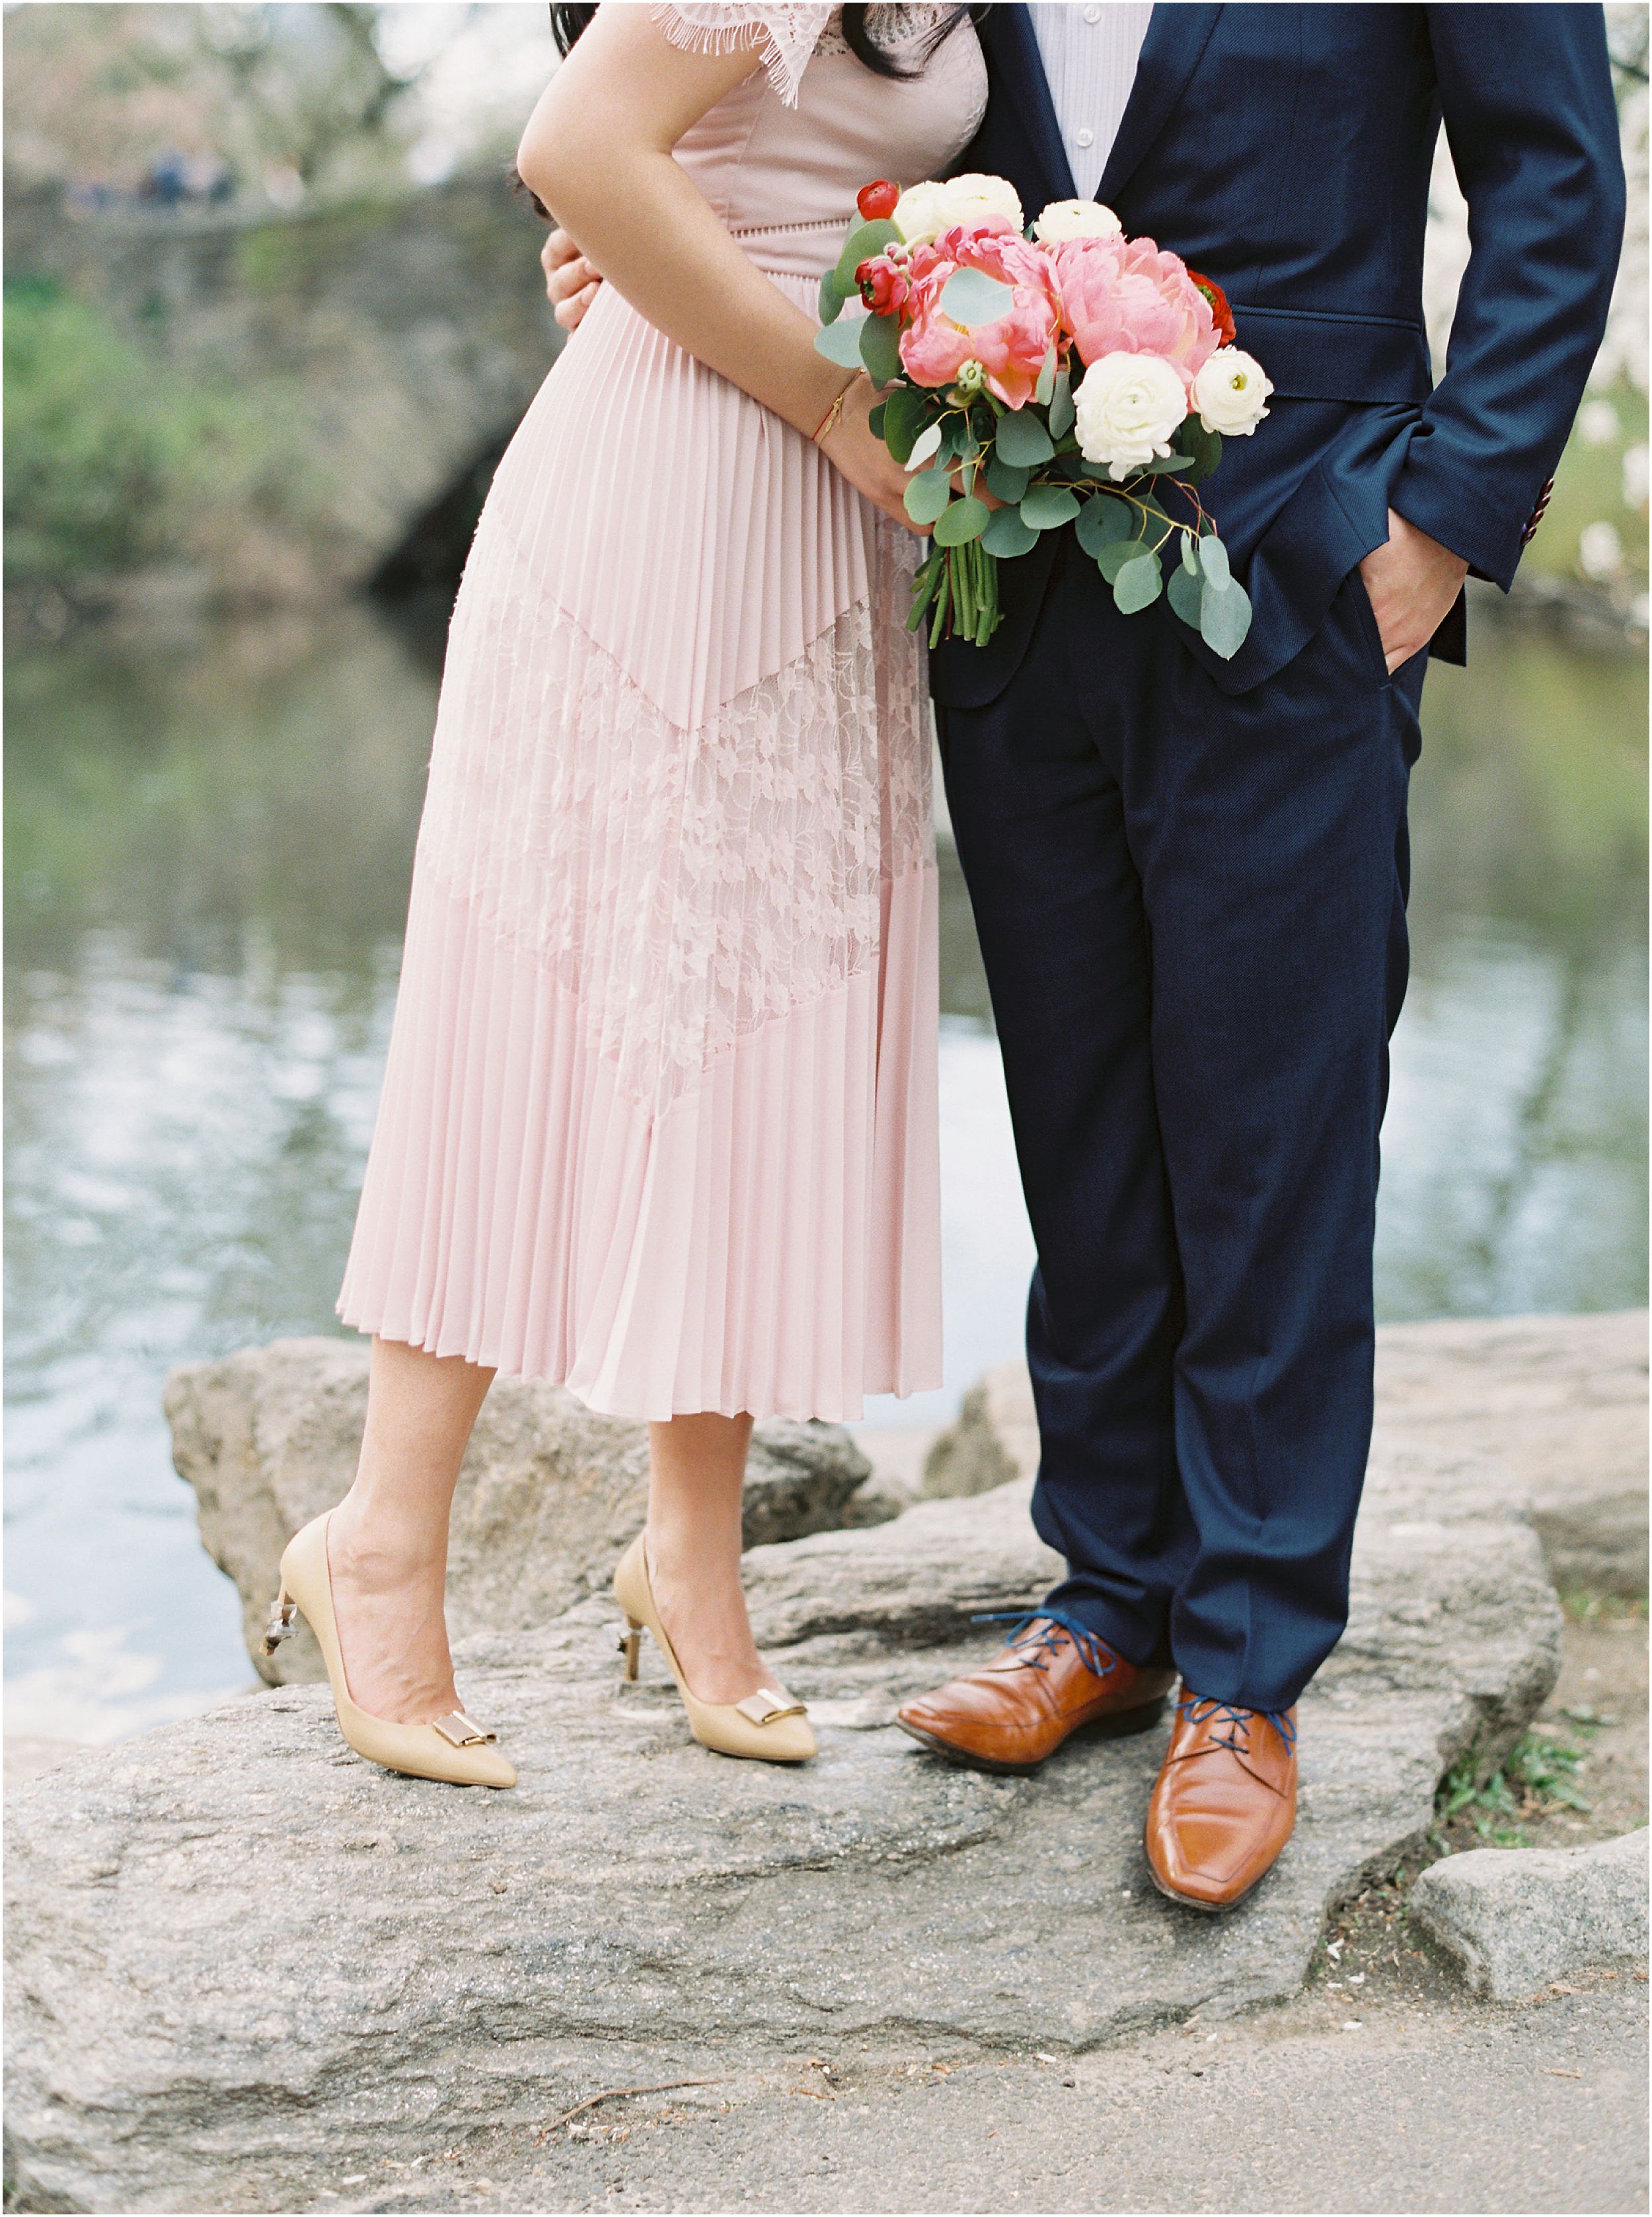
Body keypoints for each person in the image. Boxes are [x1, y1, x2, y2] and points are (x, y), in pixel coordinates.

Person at [545, 3, 1624, 1903]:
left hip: (1302, 564)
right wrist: (655, 242)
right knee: (1078, 1117)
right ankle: (1106, 1603)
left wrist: (1441, 525)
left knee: (1270, 1128)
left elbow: (1551, 175)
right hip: (1010, 576)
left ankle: (1247, 1664)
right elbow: (857, 114)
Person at [266, 3, 988, 1787]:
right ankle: (376, 1543)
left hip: (828, 527)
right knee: (538, 1006)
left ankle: (688, 1560)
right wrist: (825, 384)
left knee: (758, 1021)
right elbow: (580, 145)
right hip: (671, 487)